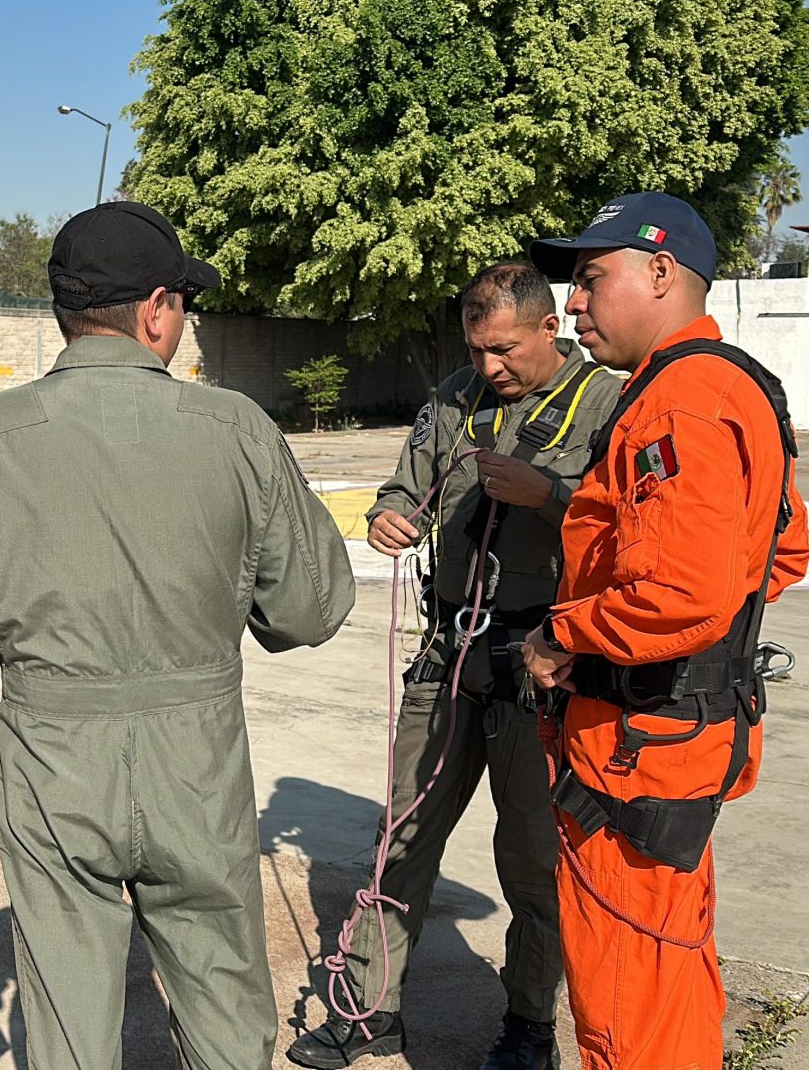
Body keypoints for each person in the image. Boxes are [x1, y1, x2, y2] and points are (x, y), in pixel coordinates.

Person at [0, 201, 356, 1069]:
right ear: (154, 310)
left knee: (70, 1022)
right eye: (182, 302)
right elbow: (312, 606)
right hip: (200, 759)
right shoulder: (236, 429)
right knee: (224, 1004)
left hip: (52, 758)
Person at [288, 262, 621, 1070]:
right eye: (476, 349)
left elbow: (628, 531)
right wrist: (390, 515)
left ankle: (529, 1026)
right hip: (450, 651)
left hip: (544, 665)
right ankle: (371, 1010)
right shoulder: (454, 398)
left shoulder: (609, 405)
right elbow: (407, 486)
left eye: (503, 349)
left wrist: (548, 493)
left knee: (535, 864)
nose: (489, 367)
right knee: (399, 838)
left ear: (551, 328)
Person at [520, 193, 809, 1070]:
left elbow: (681, 592)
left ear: (660, 272)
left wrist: (563, 638)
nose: (572, 304)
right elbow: (779, 554)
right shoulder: (734, 385)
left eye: (588, 278)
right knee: (667, 963)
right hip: (676, 736)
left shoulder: (676, 403)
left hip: (634, 749)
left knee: (625, 987)